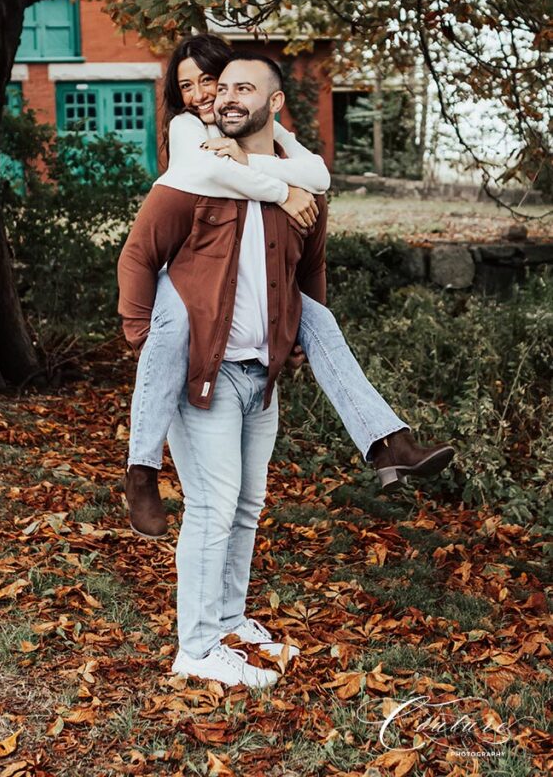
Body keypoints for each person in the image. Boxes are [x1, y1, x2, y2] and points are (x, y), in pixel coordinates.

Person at [123, 36, 454, 539]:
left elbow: (317, 173)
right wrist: (283, 189)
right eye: (186, 85)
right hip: (186, 284)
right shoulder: (189, 129)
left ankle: (388, 443)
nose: (201, 95)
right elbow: (208, 176)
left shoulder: (268, 138)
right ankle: (142, 469)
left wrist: (295, 327)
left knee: (320, 316)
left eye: (211, 81)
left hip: (250, 314)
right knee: (168, 330)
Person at [118, 53, 326, 686]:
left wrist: (294, 339)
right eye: (221, 87)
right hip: (201, 371)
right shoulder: (194, 176)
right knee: (212, 506)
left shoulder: (298, 184)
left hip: (260, 375)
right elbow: (138, 254)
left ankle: (229, 620)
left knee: (247, 504)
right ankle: (197, 649)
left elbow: (310, 269)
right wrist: (144, 339)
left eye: (243, 88)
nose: (226, 98)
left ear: (276, 102)